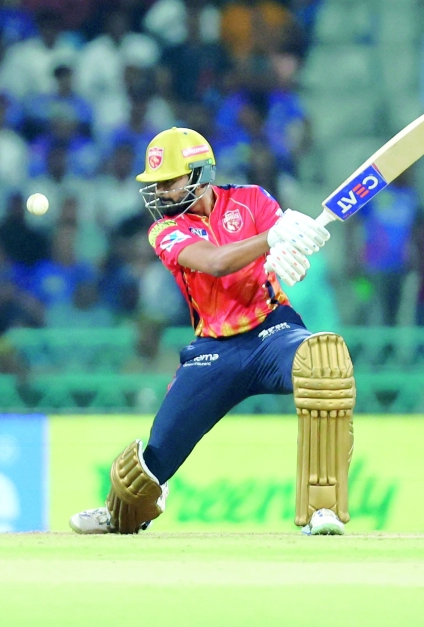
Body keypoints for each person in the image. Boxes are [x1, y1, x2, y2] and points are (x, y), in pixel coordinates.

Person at [68, 127, 353, 536]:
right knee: (152, 463)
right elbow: (218, 262)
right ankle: (123, 512)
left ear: (200, 173)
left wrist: (287, 250)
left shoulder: (253, 198)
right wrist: (270, 239)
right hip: (214, 350)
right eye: (155, 185)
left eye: (169, 181)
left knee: (323, 364)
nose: (161, 193)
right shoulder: (163, 230)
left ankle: (322, 509)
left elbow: (281, 244)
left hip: (272, 331)